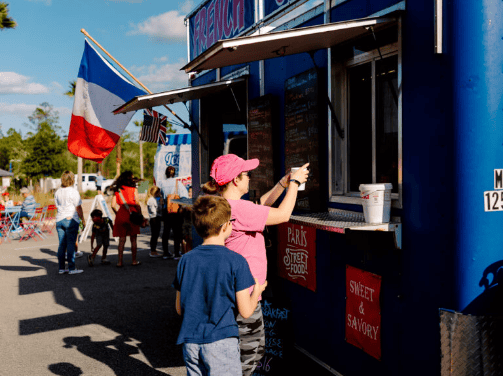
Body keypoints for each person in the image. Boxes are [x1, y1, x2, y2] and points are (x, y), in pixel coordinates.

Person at [202, 154, 309, 376]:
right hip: (245, 296)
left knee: (237, 354)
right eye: (247, 174)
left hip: (232, 293)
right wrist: (296, 184)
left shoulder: (226, 205)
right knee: (248, 359)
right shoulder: (238, 209)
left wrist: (282, 184)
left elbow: (260, 206)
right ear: (235, 180)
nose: (250, 178)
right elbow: (282, 215)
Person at [173, 195, 268, 376]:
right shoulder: (236, 261)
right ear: (226, 226)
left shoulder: (185, 260)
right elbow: (246, 311)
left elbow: (179, 308)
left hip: (190, 343)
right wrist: (257, 290)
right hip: (221, 342)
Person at [54, 171, 86, 275]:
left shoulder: (57, 192)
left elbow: (57, 205)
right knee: (71, 244)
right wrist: (83, 219)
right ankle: (72, 268)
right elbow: (78, 207)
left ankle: (61, 268)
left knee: (62, 245)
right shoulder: (73, 192)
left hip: (59, 219)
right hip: (70, 219)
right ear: (72, 179)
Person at [110, 171, 144, 267]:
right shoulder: (133, 189)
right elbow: (137, 203)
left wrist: (118, 214)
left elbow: (112, 205)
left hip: (121, 214)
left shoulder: (117, 189)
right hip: (132, 214)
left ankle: (119, 262)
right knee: (133, 239)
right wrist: (140, 215)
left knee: (122, 240)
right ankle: (134, 260)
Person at [158, 166, 189, 260]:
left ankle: (165, 253)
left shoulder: (162, 184)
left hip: (166, 211)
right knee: (177, 233)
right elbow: (184, 197)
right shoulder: (178, 183)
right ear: (174, 173)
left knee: (166, 232)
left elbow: (162, 198)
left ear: (166, 173)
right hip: (176, 211)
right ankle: (176, 253)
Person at [145, 185, 163, 258]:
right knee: (155, 235)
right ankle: (153, 251)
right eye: (159, 192)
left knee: (155, 235)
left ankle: (153, 250)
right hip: (154, 218)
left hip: (155, 218)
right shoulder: (152, 200)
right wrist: (160, 206)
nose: (160, 194)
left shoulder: (152, 199)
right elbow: (154, 211)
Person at [180, 186, 193, 254]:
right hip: (185, 222)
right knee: (185, 238)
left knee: (191, 238)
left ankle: (190, 251)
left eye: (191, 192)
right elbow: (181, 210)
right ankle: (185, 251)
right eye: (189, 191)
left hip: (191, 223)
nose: (190, 193)